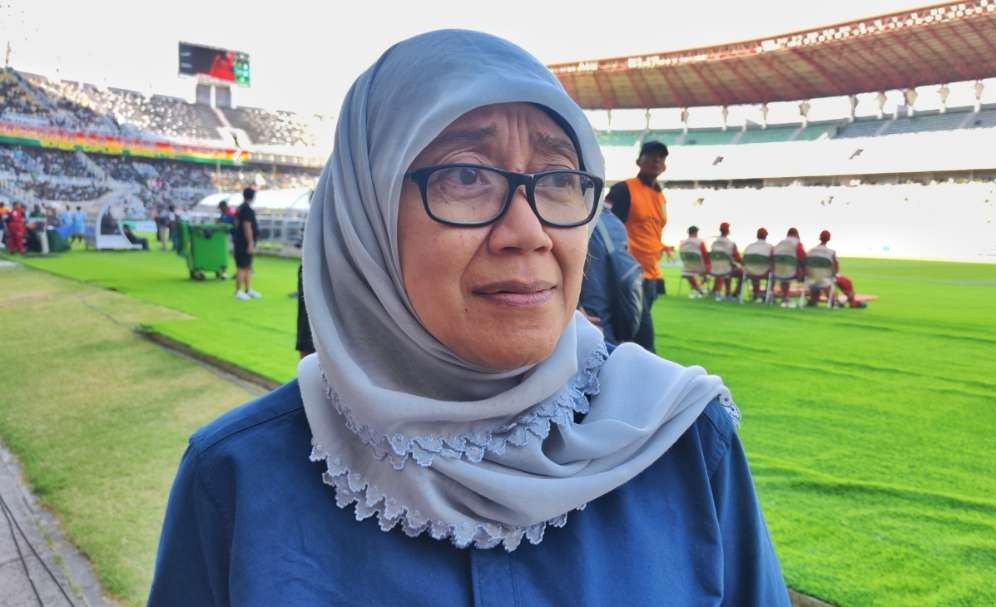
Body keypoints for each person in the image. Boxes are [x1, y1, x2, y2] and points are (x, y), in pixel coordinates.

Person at [149, 30, 788, 607]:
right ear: (364, 215)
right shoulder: (237, 480)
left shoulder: (684, 442)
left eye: (561, 178)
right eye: (465, 175)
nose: (529, 232)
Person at [606, 140, 669, 352]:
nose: (656, 160)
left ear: (665, 165)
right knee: (645, 341)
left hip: (651, 275)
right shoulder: (623, 190)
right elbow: (605, 228)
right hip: (629, 275)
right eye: (650, 155)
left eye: (661, 156)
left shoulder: (660, 197)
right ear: (638, 160)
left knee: (629, 337)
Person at [579, 201, 641, 344]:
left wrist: (574, 310)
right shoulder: (616, 222)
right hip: (614, 314)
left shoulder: (586, 221)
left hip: (593, 315)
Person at [807, 230, 867, 309]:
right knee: (846, 282)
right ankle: (852, 302)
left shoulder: (811, 251)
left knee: (825, 279)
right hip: (826, 279)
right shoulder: (831, 252)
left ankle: (814, 299)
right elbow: (836, 269)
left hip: (812, 278)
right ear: (829, 239)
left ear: (819, 238)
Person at [232, 187, 260, 300]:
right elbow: (247, 226)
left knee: (247, 267)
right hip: (243, 243)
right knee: (242, 267)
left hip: (240, 241)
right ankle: (238, 291)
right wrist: (250, 242)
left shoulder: (240, 208)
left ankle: (248, 290)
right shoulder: (247, 210)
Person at [772, 227, 806, 307]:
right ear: (797, 235)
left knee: (785, 275)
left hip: (777, 272)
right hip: (792, 272)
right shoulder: (797, 243)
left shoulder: (780, 243)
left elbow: (772, 256)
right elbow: (803, 258)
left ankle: (784, 297)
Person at [709, 222, 743, 301]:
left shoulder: (714, 243)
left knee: (726, 269)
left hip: (714, 269)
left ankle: (726, 292)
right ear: (728, 231)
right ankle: (734, 294)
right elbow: (737, 258)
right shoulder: (731, 244)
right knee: (741, 272)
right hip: (726, 270)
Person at [678, 225, 710, 298]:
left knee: (690, 274)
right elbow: (705, 255)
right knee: (708, 272)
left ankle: (697, 289)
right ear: (696, 232)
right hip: (699, 268)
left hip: (686, 268)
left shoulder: (682, 243)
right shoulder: (700, 242)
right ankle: (700, 289)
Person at [744, 227, 773, 303]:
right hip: (763, 272)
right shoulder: (770, 247)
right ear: (766, 236)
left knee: (754, 272)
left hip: (749, 272)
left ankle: (756, 294)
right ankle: (765, 295)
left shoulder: (749, 247)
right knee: (773, 274)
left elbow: (744, 261)